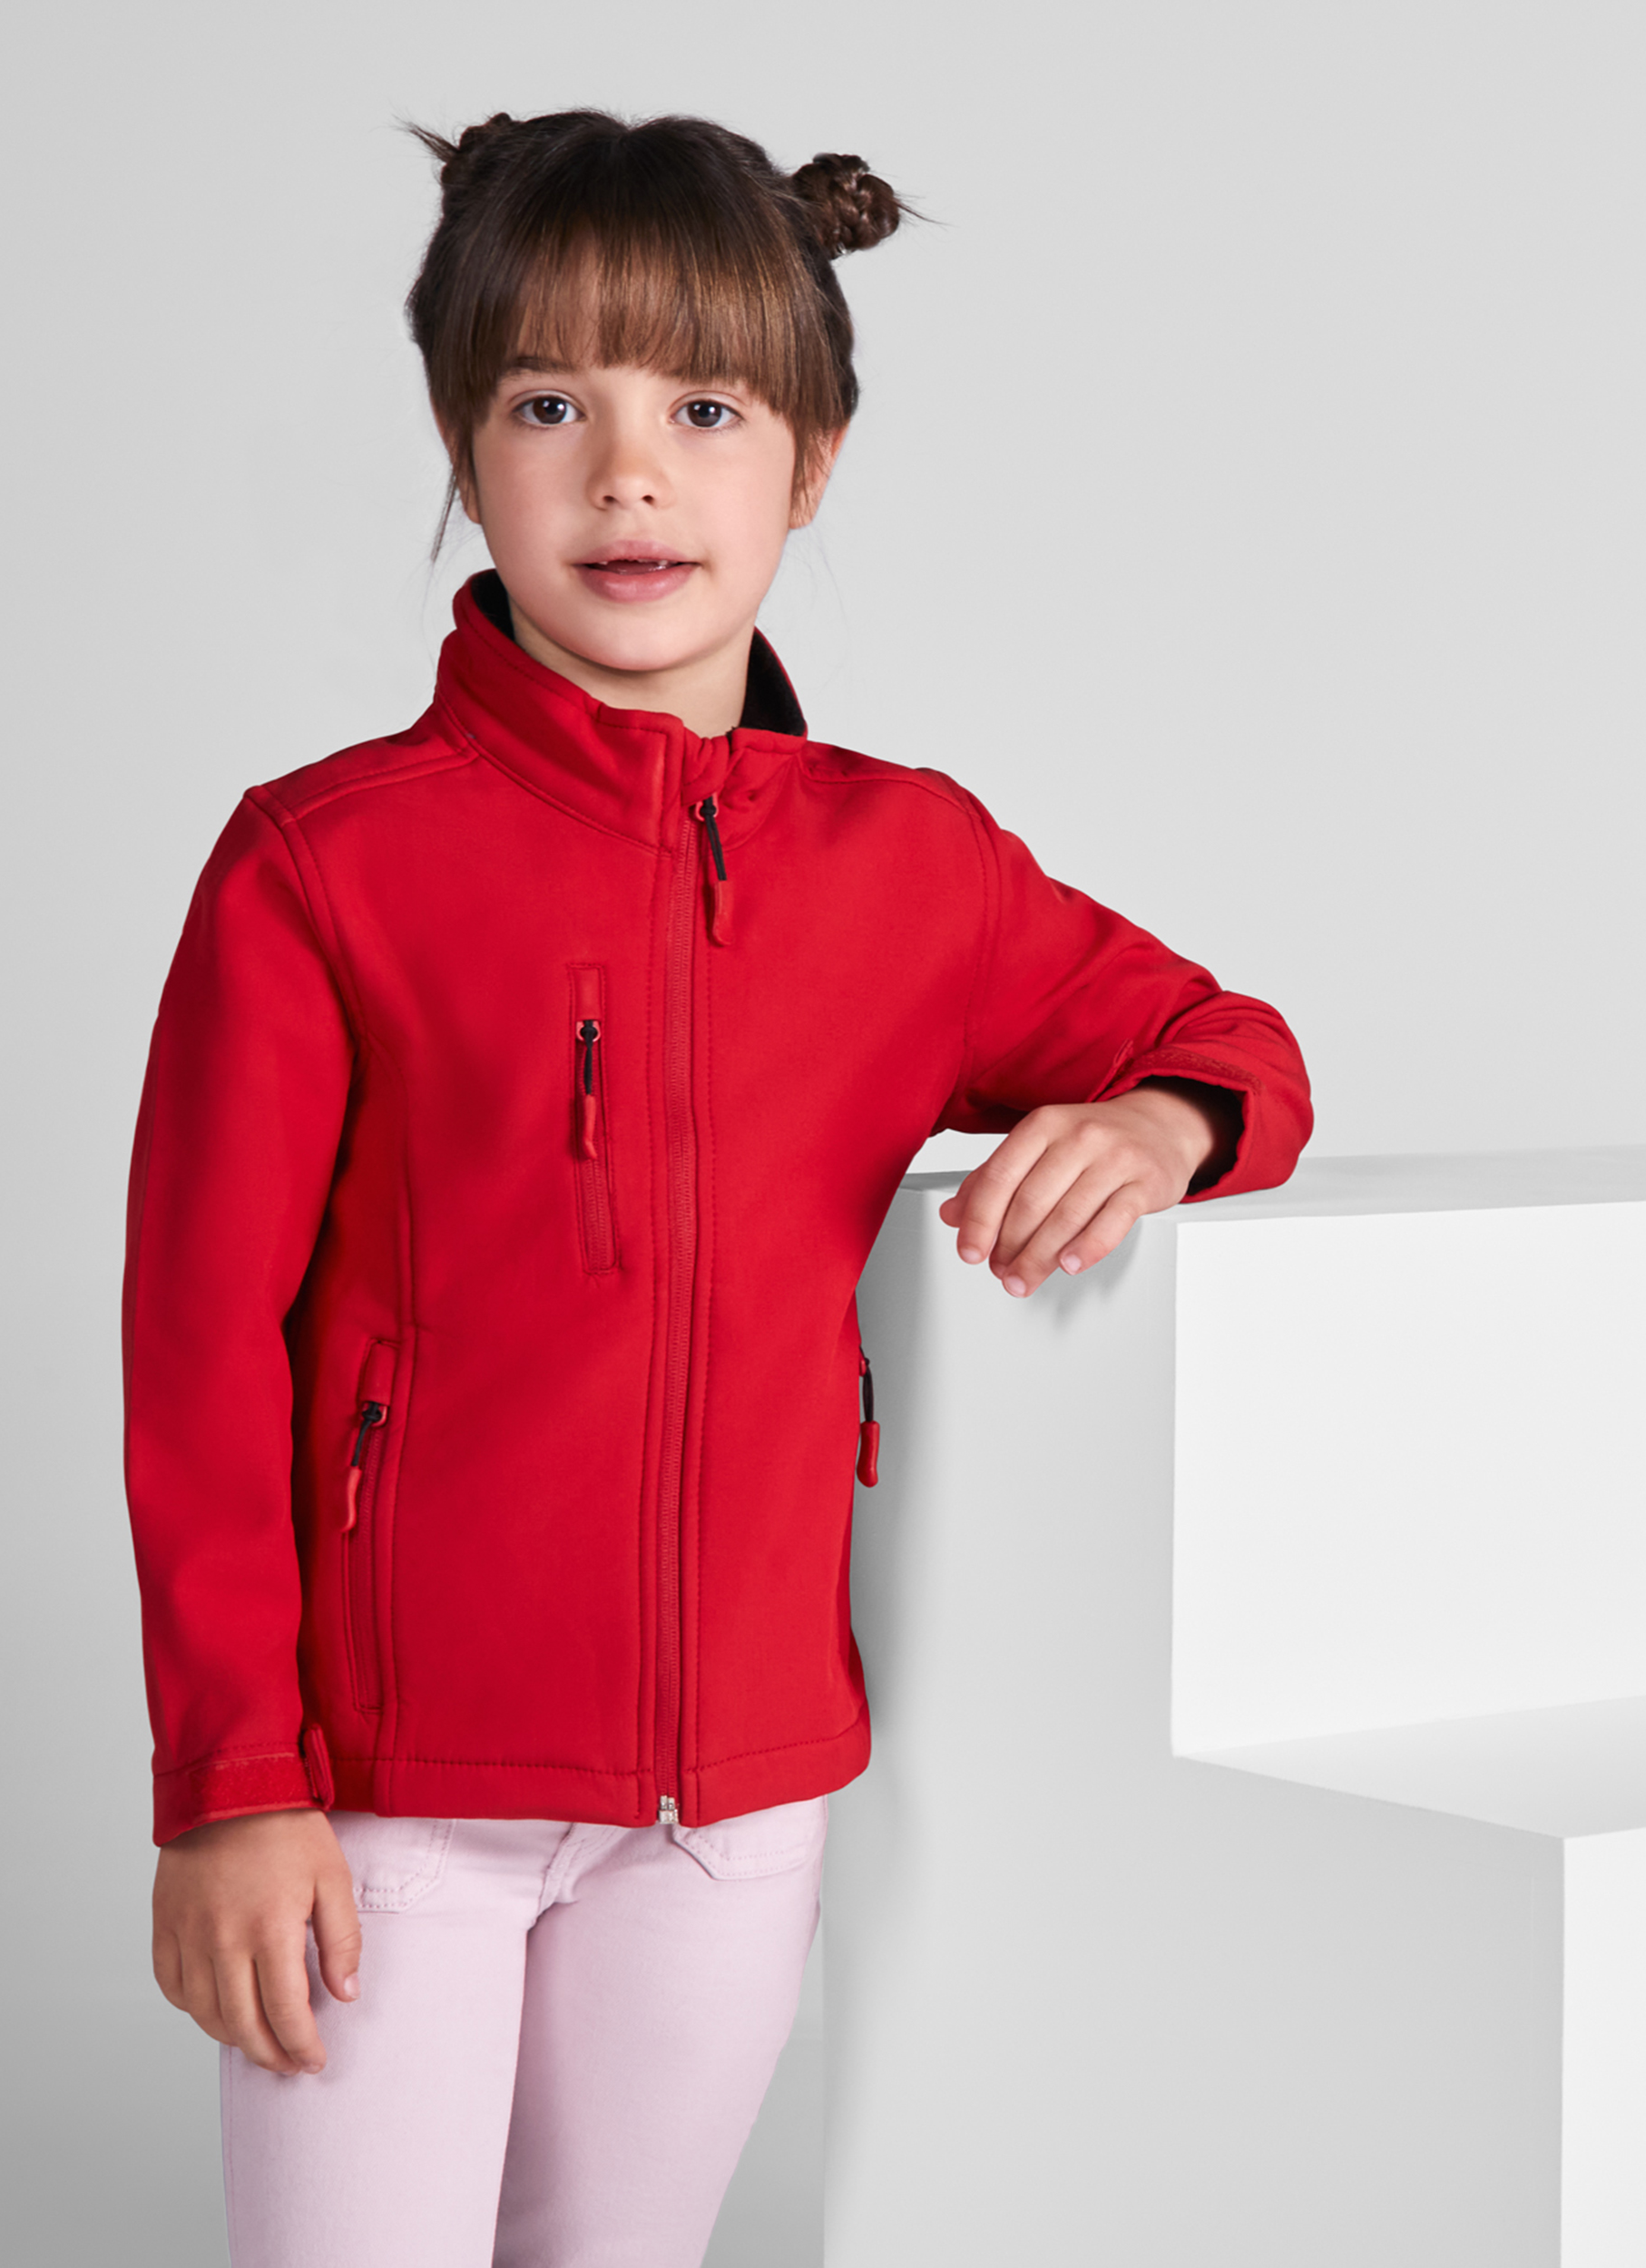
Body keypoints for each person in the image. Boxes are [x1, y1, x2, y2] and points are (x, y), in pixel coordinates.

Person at [123, 108, 1312, 2268]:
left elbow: (1230, 1040)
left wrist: (1160, 1124)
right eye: (546, 405)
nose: (627, 476)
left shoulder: (911, 864)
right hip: (390, 1802)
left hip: (738, 1806)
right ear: (461, 445)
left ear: (812, 460)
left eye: (703, 408)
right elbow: (201, 1350)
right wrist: (233, 1782)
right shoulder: (322, 862)